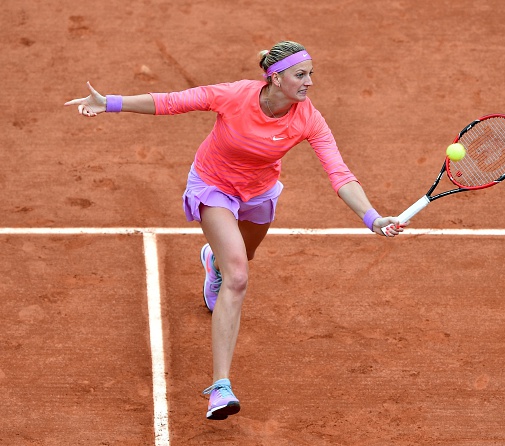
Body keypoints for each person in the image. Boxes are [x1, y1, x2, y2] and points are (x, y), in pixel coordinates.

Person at [65, 40, 406, 421]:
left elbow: (339, 174)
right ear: (276, 78)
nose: (309, 82)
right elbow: (173, 101)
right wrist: (109, 102)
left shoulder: (309, 118)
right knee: (240, 275)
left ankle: (213, 264)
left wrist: (371, 217)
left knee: (244, 255)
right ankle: (221, 386)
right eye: (301, 75)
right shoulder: (234, 95)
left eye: (311, 74)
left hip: (259, 194)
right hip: (214, 187)